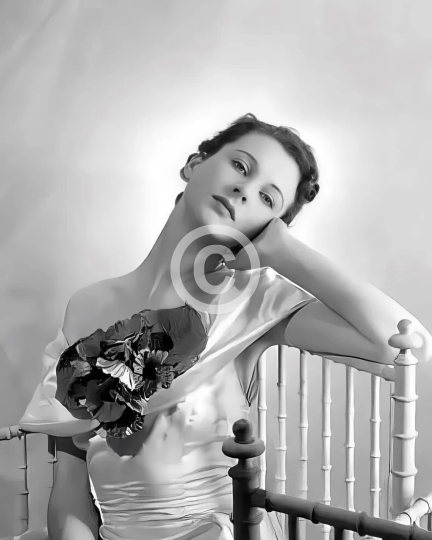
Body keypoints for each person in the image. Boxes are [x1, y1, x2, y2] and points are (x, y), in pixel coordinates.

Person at [19, 113, 432, 540]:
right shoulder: (86, 305)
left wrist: (283, 251)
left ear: (268, 226)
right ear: (195, 164)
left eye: (268, 199)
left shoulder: (253, 300)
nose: (244, 190)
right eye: (240, 165)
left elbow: (409, 344)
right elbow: (69, 488)